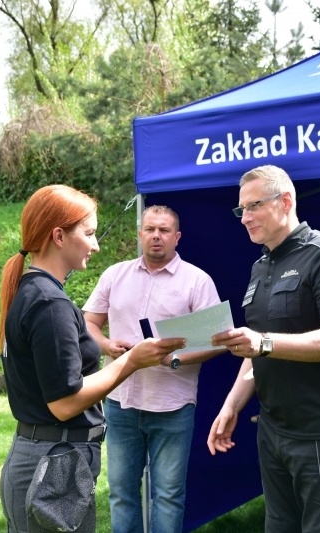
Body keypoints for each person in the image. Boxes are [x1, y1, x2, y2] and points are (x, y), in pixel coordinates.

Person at [0, 185, 185, 533]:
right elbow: (65, 403)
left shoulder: (32, 291)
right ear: (58, 236)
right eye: (89, 233)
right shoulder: (49, 304)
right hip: (53, 464)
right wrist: (131, 362)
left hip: (44, 458)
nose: (96, 245)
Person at [207, 164, 320, 533]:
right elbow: (256, 350)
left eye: (254, 206)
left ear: (285, 201)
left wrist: (262, 342)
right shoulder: (259, 267)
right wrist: (232, 405)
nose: (245, 218)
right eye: (241, 210)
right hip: (273, 428)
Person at [82, 205, 224, 533]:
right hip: (120, 402)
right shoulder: (115, 274)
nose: (156, 236)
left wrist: (172, 359)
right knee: (121, 493)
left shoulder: (196, 281)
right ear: (140, 234)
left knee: (168, 495)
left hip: (172, 405)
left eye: (163, 230)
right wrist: (106, 346)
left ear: (177, 237)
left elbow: (217, 341)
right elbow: (89, 322)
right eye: (150, 229)